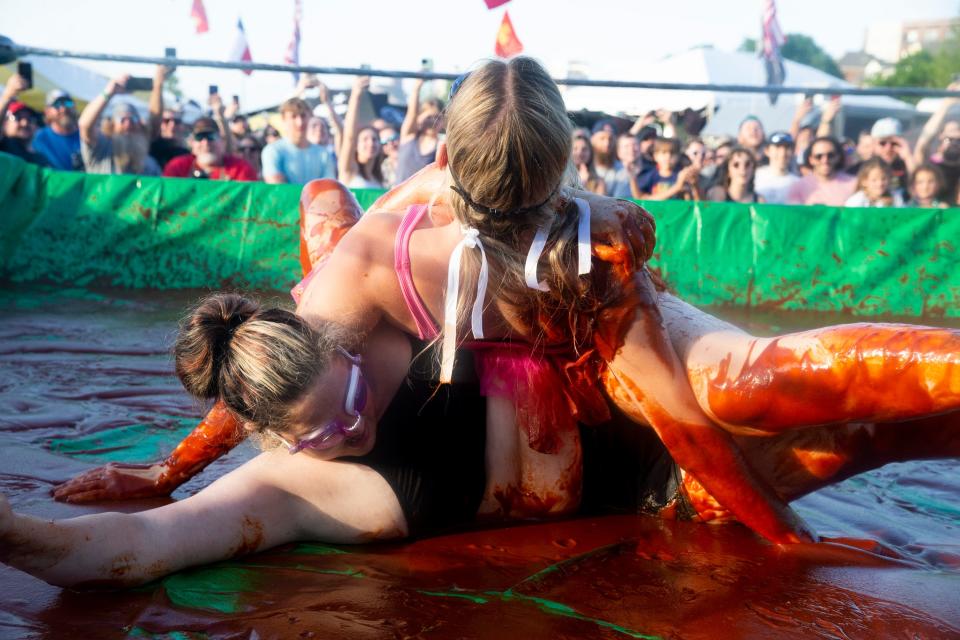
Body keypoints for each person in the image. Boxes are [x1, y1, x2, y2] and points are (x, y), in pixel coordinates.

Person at [10, 58, 960, 586]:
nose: (346, 434)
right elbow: (251, 408)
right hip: (651, 478)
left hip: (634, 421)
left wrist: (783, 536)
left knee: (773, 385)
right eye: (323, 429)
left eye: (339, 416)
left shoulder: (588, 247)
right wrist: (171, 472)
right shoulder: (362, 288)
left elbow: (679, 418)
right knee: (877, 431)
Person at [78, 75, 161, 176]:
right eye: (122, 119)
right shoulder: (101, 149)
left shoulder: (149, 164)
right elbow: (84, 125)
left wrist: (158, 84)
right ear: (112, 126)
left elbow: (155, 118)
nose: (128, 124)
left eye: (133, 119)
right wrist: (109, 91)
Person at [261, 98, 337, 184]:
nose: (300, 122)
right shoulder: (273, 151)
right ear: (284, 120)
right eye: (293, 116)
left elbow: (328, 187)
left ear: (310, 117)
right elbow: (277, 188)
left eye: (303, 116)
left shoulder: (323, 153)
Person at [162, 118, 257, 181]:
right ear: (192, 143)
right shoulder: (177, 167)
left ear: (222, 141)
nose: (206, 143)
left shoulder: (240, 169)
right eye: (199, 137)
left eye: (211, 137)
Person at [913, 82, 960, 202]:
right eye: (949, 139)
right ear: (940, 137)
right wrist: (947, 103)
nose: (954, 143)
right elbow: (922, 145)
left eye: (958, 139)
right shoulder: (932, 167)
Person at [337, 76, 385, 189]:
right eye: (365, 139)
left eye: (374, 139)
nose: (371, 143)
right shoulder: (349, 170)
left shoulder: (378, 180)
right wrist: (356, 96)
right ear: (356, 146)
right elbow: (349, 137)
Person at [848, 118, 913, 198]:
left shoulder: (905, 166)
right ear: (874, 144)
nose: (888, 148)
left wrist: (908, 157)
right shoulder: (860, 169)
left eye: (894, 143)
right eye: (882, 143)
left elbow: (918, 186)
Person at [395, 78, 441, 183]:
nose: (433, 121)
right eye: (429, 117)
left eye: (437, 117)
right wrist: (416, 88)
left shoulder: (441, 146)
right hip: (402, 198)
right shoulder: (409, 136)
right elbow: (412, 113)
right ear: (419, 117)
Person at [786, 137, 856, 206]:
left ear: (837, 157)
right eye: (818, 156)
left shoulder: (854, 184)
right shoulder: (799, 187)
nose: (825, 160)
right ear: (811, 160)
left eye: (830, 155)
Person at [148, 65, 191, 170]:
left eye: (176, 122)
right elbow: (154, 115)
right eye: (166, 121)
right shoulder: (152, 147)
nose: (172, 125)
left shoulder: (189, 155)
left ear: (184, 126)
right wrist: (158, 84)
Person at [0, 73, 48, 166]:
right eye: (17, 118)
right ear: (5, 123)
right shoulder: (4, 147)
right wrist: (7, 95)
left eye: (30, 119)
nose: (25, 123)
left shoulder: (41, 160)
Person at [31, 89, 83, 171]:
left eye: (68, 103)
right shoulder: (38, 139)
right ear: (47, 111)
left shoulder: (87, 136)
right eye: (57, 104)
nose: (64, 109)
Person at [632, 137, 698, 200]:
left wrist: (694, 185)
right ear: (655, 156)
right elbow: (643, 199)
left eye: (672, 153)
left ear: (678, 156)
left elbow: (693, 203)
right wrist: (677, 187)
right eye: (663, 152)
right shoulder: (650, 176)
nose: (668, 157)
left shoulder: (682, 175)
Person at [754, 132, 800, 204]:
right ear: (767, 151)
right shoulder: (754, 176)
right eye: (778, 148)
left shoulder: (798, 183)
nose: (782, 153)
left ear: (793, 152)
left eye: (787, 148)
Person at [590, 119, 620, 193]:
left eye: (611, 139)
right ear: (592, 140)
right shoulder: (582, 169)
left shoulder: (621, 170)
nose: (607, 143)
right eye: (602, 139)